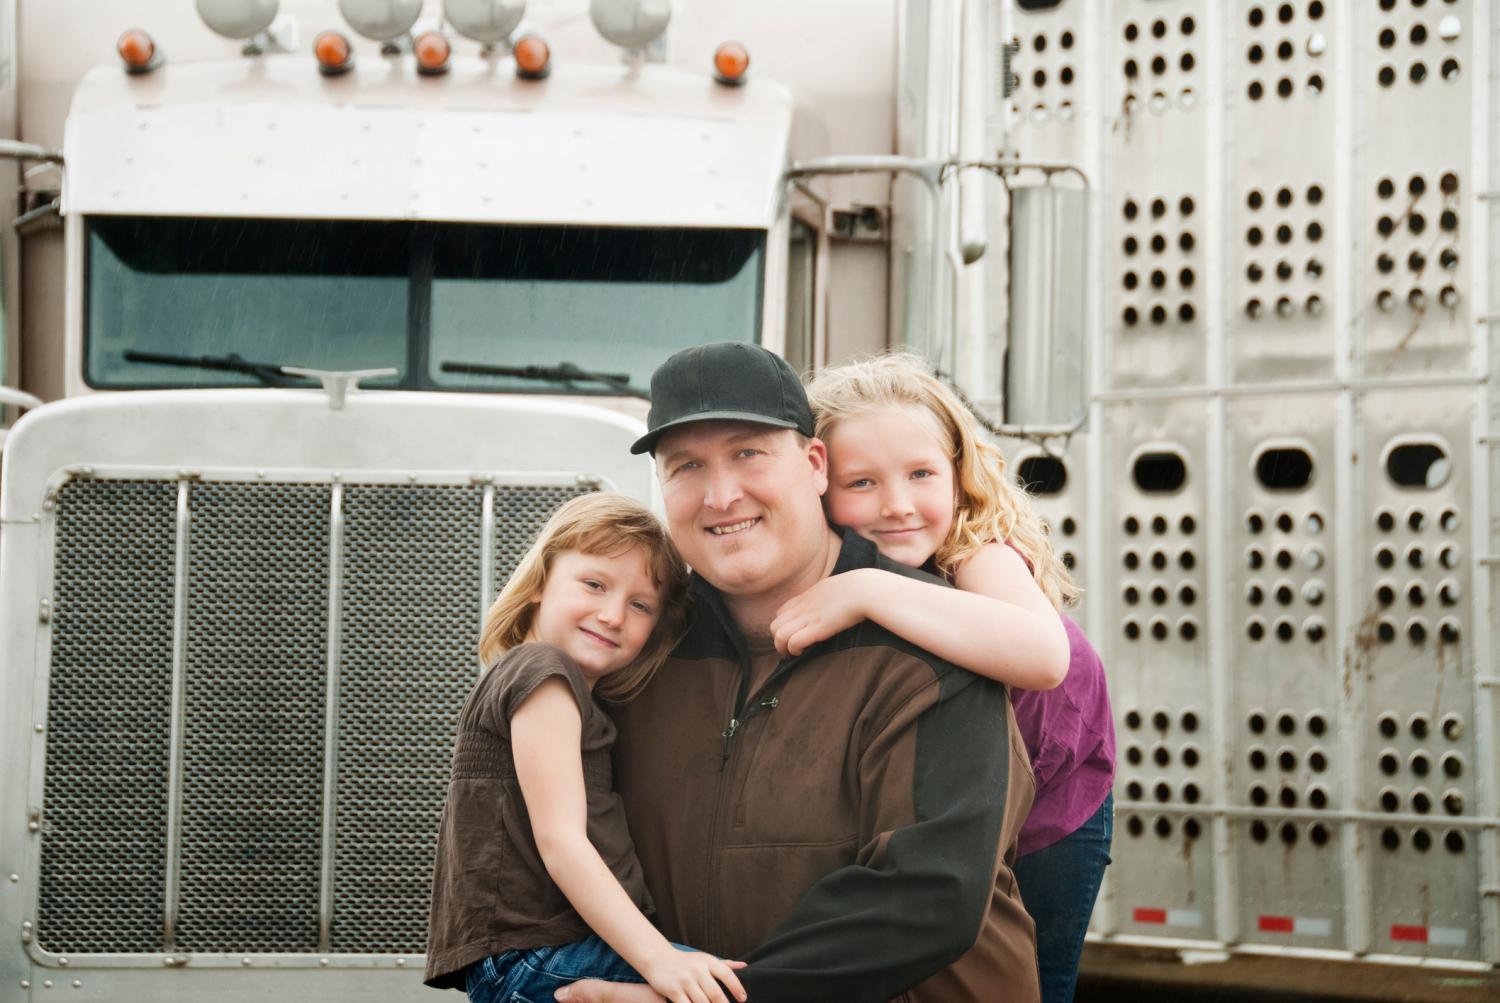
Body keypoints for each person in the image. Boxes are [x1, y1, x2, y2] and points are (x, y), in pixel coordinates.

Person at [558, 342, 1041, 1003]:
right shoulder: (637, 653)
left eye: (748, 453)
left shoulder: (938, 642)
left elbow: (927, 896)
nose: (722, 494)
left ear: (815, 464)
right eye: (687, 466)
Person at [775, 354, 1115, 1003]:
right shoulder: (833, 564)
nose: (897, 505)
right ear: (817, 480)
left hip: (1054, 805)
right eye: (863, 481)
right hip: (956, 802)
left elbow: (1044, 657)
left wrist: (869, 589)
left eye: (921, 473)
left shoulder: (975, 554)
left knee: (1031, 976)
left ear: (959, 477)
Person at [424, 493, 749, 1003]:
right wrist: (659, 958)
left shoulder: (562, 688)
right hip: (539, 954)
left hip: (535, 954)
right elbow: (562, 842)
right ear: (540, 584)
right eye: (594, 584)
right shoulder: (543, 676)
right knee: (733, 993)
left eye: (640, 605)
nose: (613, 615)